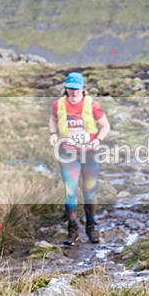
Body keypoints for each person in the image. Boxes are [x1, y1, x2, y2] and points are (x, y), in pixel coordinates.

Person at [48, 72, 111, 245]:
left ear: (83, 89)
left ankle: (91, 227)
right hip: (68, 153)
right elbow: (52, 120)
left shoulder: (92, 104)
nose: (74, 92)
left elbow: (105, 125)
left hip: (90, 153)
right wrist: (53, 134)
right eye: (70, 88)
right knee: (70, 192)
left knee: (89, 192)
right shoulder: (58, 104)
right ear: (66, 88)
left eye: (77, 89)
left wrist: (98, 140)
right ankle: (72, 229)